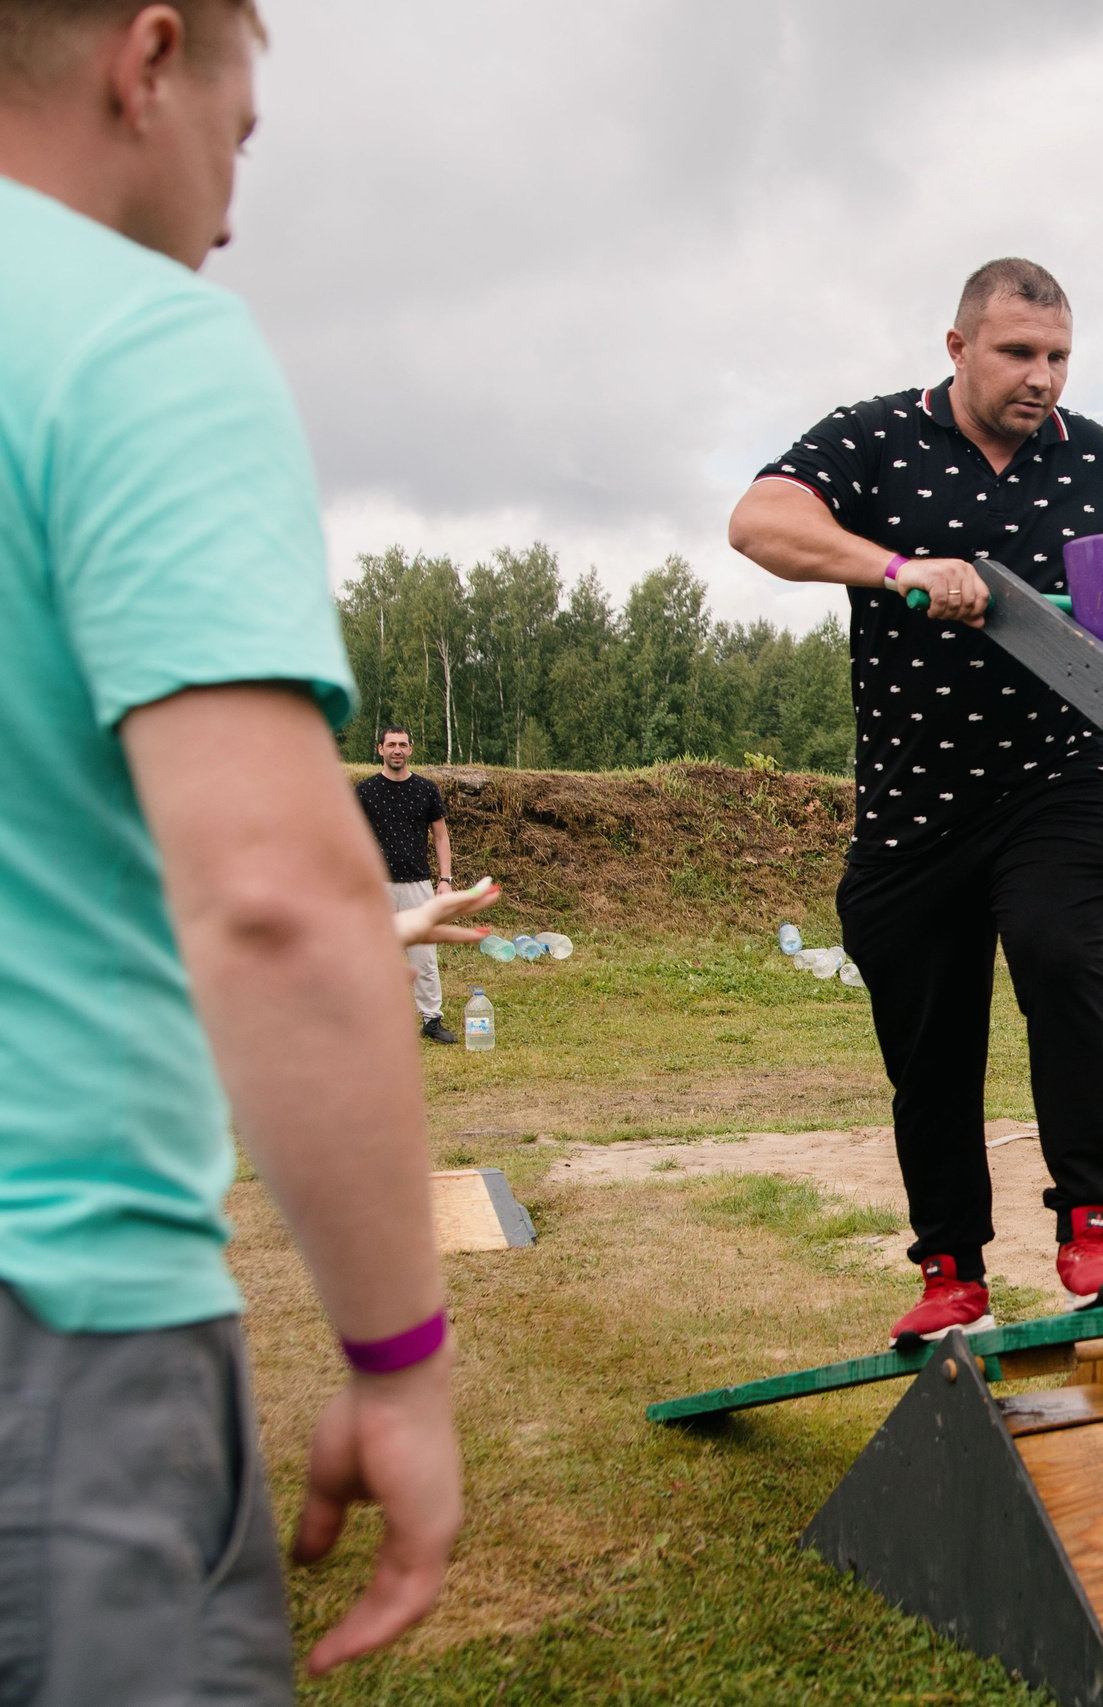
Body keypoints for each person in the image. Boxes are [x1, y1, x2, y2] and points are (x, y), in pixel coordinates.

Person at [0, 2, 465, 1694]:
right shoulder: (130, 343)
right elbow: (273, 900)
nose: (234, 203)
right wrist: (399, 1359)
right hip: (51, 1313)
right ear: (147, 61)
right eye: (240, 135)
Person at [730, 257, 1103, 1344]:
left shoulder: (1095, 455)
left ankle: (1089, 1222)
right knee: (929, 1045)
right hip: (912, 807)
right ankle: (950, 1267)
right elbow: (758, 522)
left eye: (1058, 357)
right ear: (959, 347)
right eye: (1019, 353)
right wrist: (897, 568)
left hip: (1054, 782)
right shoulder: (873, 437)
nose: (1041, 378)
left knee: (1059, 958)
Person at [356, 725, 462, 1043]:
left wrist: (445, 879)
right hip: (378, 887)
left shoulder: (426, 789)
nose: (397, 750)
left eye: (403, 744)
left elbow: (441, 836)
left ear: (410, 750)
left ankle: (431, 1020)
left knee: (424, 957)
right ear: (380, 750)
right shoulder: (366, 790)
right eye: (391, 745)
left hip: (418, 884)